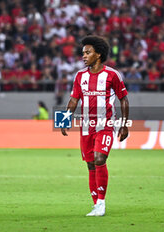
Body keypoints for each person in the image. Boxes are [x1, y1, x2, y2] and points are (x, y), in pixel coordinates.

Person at [61, 36, 129, 216]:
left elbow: (123, 99)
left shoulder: (112, 75)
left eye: (88, 52)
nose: (83, 56)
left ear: (98, 54)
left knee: (100, 159)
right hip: (86, 127)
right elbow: (74, 99)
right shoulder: (79, 76)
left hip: (105, 125)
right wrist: (65, 119)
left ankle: (101, 203)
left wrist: (124, 125)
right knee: (90, 164)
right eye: (83, 53)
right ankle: (95, 204)